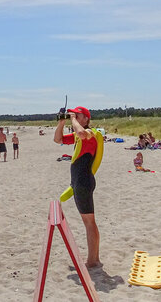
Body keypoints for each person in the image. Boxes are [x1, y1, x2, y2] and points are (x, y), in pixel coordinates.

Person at [54, 106, 101, 268]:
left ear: (86, 119)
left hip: (83, 181)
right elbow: (58, 140)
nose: (74, 116)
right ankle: (94, 258)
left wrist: (72, 119)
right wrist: (61, 122)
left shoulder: (91, 134)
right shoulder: (77, 136)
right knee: (88, 221)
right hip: (79, 182)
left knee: (89, 222)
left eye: (78, 115)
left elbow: (82, 133)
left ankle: (93, 260)